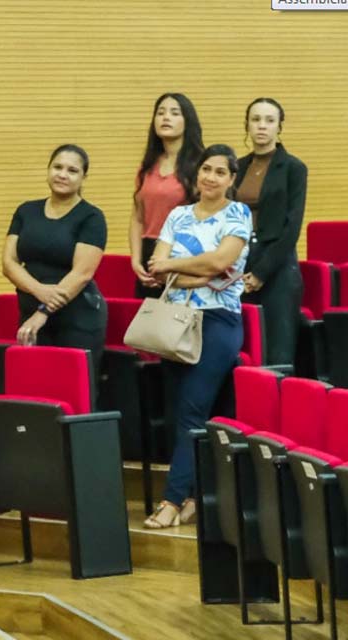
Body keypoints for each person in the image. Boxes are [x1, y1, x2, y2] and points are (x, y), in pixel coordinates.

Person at [143, 144, 251, 528]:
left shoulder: (238, 214)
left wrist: (176, 266)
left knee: (192, 411)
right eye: (206, 169)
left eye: (220, 172)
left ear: (231, 179)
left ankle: (171, 501)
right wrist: (199, 273)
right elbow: (158, 268)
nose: (210, 177)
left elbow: (222, 262)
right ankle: (193, 497)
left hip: (219, 321)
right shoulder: (178, 214)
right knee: (182, 412)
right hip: (176, 320)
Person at [3, 144, 108, 374]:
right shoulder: (26, 211)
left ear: (83, 178)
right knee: (34, 388)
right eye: (57, 167)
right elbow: (9, 263)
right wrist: (39, 290)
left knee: (73, 389)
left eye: (72, 170)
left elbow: (82, 274)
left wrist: (43, 312)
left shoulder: (92, 217)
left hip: (77, 318)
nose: (62, 174)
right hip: (30, 311)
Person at [234, 98, 307, 366]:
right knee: (243, 350)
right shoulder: (237, 167)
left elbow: (292, 228)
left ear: (279, 127)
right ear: (247, 125)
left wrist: (262, 273)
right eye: (255, 120)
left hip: (277, 267)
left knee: (277, 353)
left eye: (269, 120)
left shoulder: (293, 168)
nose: (261, 126)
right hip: (239, 263)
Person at [129, 93, 205, 298]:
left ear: (187, 121)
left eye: (174, 113)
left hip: (183, 253)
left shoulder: (200, 166)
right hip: (148, 253)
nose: (165, 118)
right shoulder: (146, 166)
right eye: (160, 113)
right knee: (149, 324)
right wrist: (136, 260)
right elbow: (137, 217)